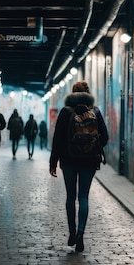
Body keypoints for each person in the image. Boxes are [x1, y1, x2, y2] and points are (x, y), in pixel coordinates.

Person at [49, 81, 108, 252]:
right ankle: (81, 232)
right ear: (88, 94)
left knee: (70, 197)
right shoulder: (95, 112)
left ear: (72, 94)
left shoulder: (66, 112)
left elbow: (58, 138)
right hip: (89, 160)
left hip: (68, 160)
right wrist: (94, 146)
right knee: (83, 197)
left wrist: (53, 161)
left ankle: (72, 232)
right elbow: (104, 136)